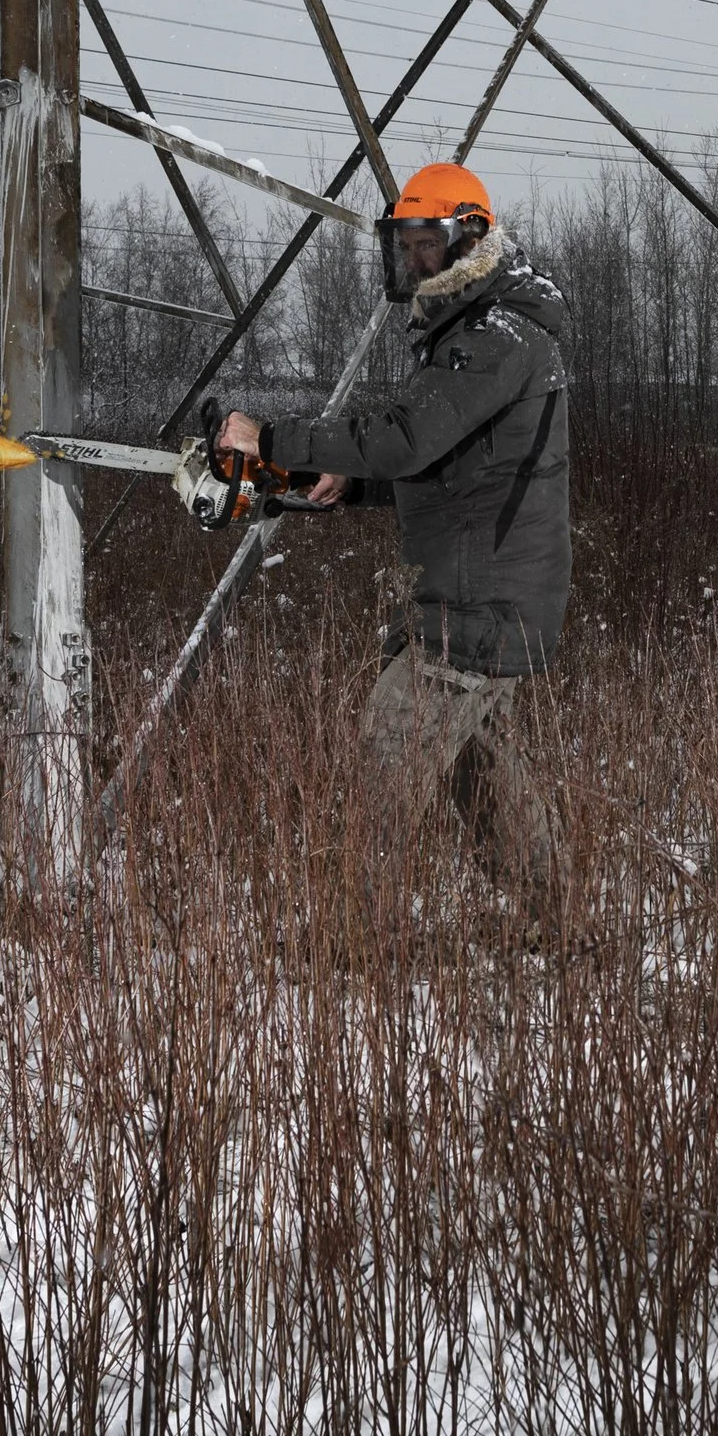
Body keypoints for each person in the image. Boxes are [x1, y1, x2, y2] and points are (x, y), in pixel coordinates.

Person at [220, 161, 571, 915]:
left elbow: (409, 437)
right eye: (402, 244)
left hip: (481, 601)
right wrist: (353, 483)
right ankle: (555, 917)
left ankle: (357, 936)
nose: (413, 260)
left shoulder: (497, 336)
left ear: (469, 236)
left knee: (393, 751)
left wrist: (273, 436)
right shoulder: (479, 329)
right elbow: (452, 466)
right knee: (472, 769)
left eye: (426, 242)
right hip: (480, 593)